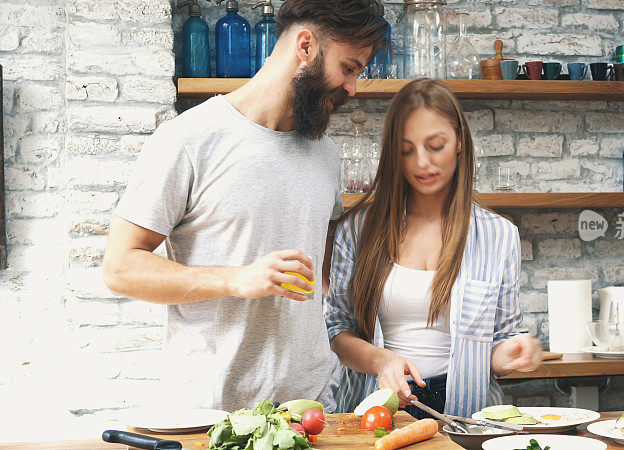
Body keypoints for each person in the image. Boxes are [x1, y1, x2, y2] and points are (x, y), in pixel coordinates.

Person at [102, 0, 388, 412]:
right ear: (305, 46)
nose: (352, 89)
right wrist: (235, 279)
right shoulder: (187, 140)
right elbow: (120, 268)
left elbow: (325, 274)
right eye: (348, 67)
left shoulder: (326, 155)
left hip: (311, 410)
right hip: (210, 414)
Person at [325, 79, 543, 419]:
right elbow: (337, 330)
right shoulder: (358, 229)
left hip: (467, 414)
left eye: (435, 145)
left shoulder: (499, 235)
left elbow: (498, 346)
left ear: (458, 141)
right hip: (378, 409)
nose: (421, 163)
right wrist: (382, 360)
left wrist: (513, 352)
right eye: (406, 150)